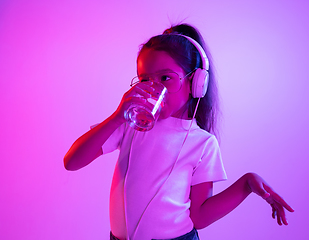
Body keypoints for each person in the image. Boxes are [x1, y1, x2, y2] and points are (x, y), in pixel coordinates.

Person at [64, 23, 294, 240]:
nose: (154, 88)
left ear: (196, 82)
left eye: (166, 78)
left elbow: (200, 217)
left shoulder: (202, 143)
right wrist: (116, 117)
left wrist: (247, 183)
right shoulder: (129, 123)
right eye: (145, 79)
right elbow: (72, 161)